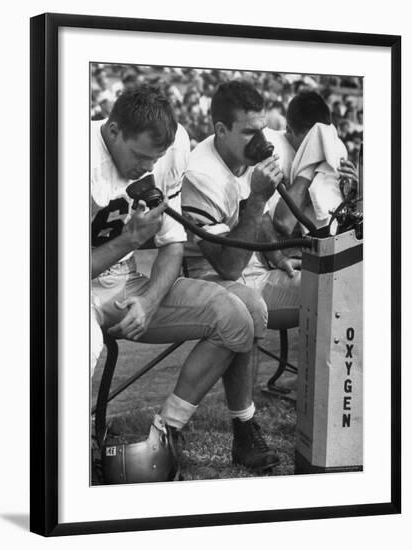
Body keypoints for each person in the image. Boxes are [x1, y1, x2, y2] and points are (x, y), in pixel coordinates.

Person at [91, 83, 280, 474]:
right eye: (141, 156)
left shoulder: (174, 148)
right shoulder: (64, 154)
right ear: (112, 132)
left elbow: (172, 245)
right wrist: (129, 238)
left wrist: (150, 301)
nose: (147, 168)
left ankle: (165, 432)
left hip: (125, 283)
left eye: (154, 159)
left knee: (236, 317)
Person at [181, 80, 301, 330]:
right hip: (214, 281)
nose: (260, 139)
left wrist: (278, 257)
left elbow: (263, 217)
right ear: (222, 130)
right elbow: (229, 268)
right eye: (249, 132)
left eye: (262, 129)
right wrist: (258, 197)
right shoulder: (199, 175)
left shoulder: (245, 156)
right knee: (248, 309)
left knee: (332, 288)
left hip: (258, 272)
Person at [270, 91, 359, 237]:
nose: (319, 151)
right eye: (311, 144)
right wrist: (310, 166)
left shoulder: (332, 148)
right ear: (289, 130)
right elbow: (284, 222)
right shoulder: (274, 148)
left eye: (320, 144)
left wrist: (353, 194)